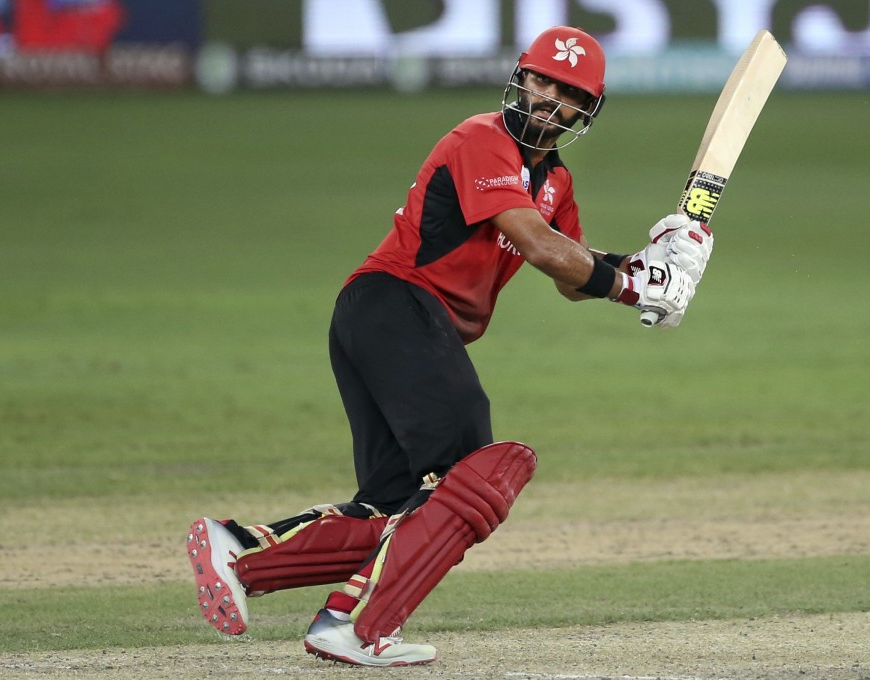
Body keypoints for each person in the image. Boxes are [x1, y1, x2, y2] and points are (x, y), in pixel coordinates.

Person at [186, 25, 713, 667]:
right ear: (520, 77)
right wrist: (636, 288)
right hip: (397, 305)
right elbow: (544, 247)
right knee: (474, 474)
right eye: (541, 79)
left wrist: (652, 261)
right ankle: (353, 626)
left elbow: (570, 275)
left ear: (586, 110)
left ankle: (240, 552)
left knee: (394, 505)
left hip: (386, 319)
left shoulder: (555, 183)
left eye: (567, 91)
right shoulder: (481, 139)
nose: (548, 98)